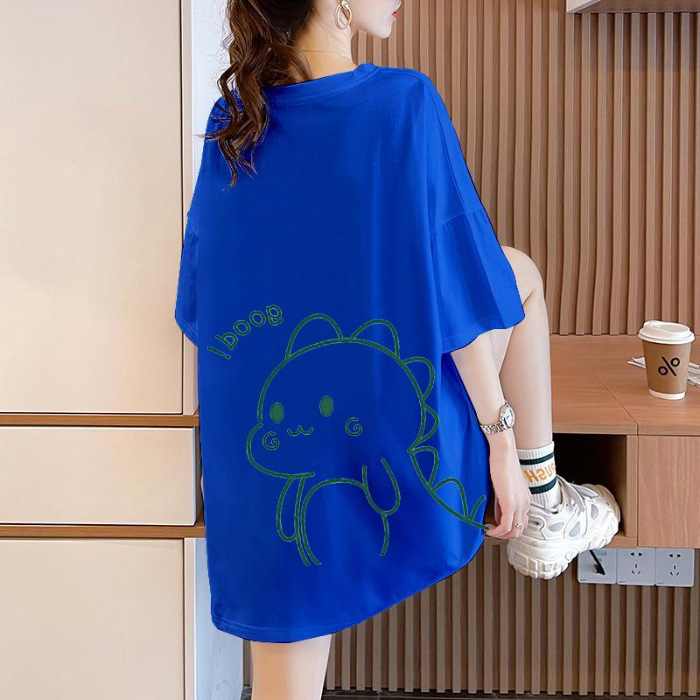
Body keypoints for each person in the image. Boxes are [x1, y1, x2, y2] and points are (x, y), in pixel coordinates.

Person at [174, 0, 621, 697]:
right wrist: (500, 439)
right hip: (389, 428)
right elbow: (458, 288)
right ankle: (544, 504)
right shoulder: (404, 103)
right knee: (518, 275)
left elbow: (206, 306)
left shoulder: (234, 120)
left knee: (285, 673)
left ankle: (542, 503)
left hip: (267, 449)